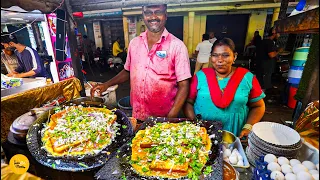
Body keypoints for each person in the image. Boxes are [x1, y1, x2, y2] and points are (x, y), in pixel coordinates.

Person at [91, 4, 191, 121]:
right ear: (143, 15)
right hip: (138, 115)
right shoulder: (134, 43)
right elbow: (127, 71)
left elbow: (184, 85)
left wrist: (170, 117)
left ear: (165, 15)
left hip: (164, 118)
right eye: (148, 12)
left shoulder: (177, 46)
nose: (153, 17)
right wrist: (106, 85)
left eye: (158, 12)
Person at [184, 38, 266, 138]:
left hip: (235, 134)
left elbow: (258, 106)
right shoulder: (200, 77)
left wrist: (248, 127)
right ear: (211, 57)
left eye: (225, 55)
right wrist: (195, 124)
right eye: (215, 55)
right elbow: (188, 102)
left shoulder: (247, 77)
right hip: (202, 133)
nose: (220, 60)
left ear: (234, 56)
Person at [255, 27, 281, 91]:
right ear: (274, 33)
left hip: (260, 65)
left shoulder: (263, 41)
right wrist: (279, 51)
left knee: (260, 83)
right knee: (263, 85)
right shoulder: (270, 42)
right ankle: (259, 99)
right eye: (278, 34)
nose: (279, 35)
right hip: (265, 67)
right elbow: (271, 55)